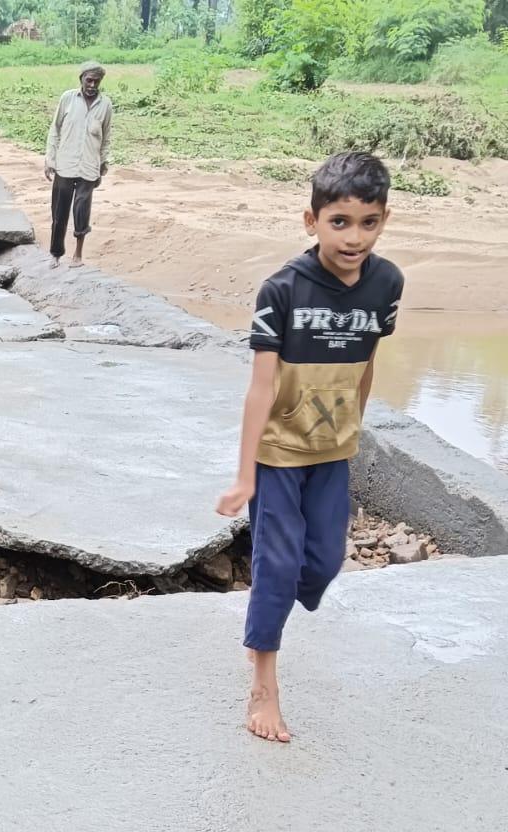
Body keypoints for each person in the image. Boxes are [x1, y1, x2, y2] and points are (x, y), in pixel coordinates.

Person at [216, 151, 403, 744]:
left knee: (322, 564)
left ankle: (264, 621)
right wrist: (244, 476)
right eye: (339, 222)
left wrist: (355, 430)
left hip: (331, 452)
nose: (354, 237)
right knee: (277, 565)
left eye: (368, 222)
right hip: (277, 454)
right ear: (311, 220)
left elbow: (367, 364)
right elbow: (261, 387)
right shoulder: (282, 290)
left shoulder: (387, 283)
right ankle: (264, 683)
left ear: (383, 220)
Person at [43, 61, 113, 269]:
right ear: (81, 79)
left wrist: (103, 163)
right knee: (59, 211)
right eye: (88, 80)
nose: (92, 84)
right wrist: (50, 159)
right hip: (65, 164)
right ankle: (55, 254)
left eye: (96, 81)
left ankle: (78, 254)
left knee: (82, 210)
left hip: (89, 167)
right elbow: (54, 130)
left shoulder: (105, 104)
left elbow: (106, 137)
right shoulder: (67, 99)